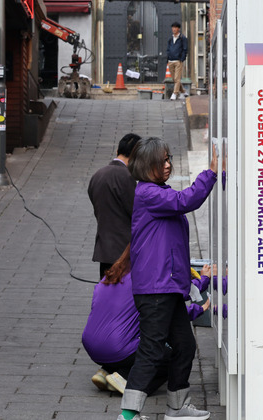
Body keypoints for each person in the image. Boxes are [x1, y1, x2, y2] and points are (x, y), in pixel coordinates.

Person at [118, 137, 216, 420]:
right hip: (156, 289)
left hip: (168, 287)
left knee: (185, 345)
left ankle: (177, 407)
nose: (169, 165)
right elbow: (188, 200)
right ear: (147, 165)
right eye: (162, 161)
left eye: (169, 158)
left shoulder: (157, 193)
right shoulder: (149, 194)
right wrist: (210, 172)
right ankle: (128, 415)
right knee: (152, 349)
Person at [82, 244, 213, 396]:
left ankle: (106, 372)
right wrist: (204, 280)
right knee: (168, 355)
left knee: (130, 335)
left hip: (92, 345)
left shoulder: (111, 275)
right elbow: (170, 307)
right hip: (117, 348)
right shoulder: (147, 278)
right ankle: (128, 382)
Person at [88, 133, 141, 278]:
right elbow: (136, 212)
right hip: (124, 252)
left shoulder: (97, 175)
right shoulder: (127, 177)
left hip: (104, 250)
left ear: (117, 151)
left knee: (107, 294)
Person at [166, 22, 188, 101]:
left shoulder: (182, 38)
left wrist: (182, 59)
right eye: (173, 27)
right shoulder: (170, 39)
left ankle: (175, 94)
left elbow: (185, 49)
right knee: (174, 79)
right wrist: (168, 58)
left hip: (178, 61)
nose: (174, 29)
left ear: (179, 29)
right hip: (170, 61)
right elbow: (168, 49)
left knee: (177, 78)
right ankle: (183, 91)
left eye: (175, 27)